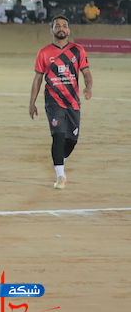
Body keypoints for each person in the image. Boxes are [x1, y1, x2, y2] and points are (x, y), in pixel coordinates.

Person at [28, 16, 93, 189]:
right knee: (58, 134)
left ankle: (58, 159)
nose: (61, 29)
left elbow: (86, 73)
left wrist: (88, 87)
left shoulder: (78, 51)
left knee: (72, 139)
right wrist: (32, 102)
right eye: (57, 26)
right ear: (52, 30)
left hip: (73, 101)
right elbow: (38, 79)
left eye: (64, 26)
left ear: (69, 30)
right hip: (53, 100)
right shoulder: (44, 53)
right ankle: (60, 176)